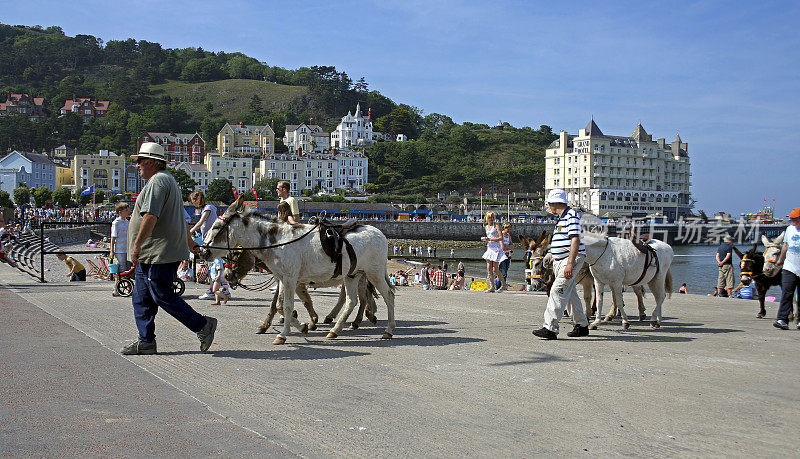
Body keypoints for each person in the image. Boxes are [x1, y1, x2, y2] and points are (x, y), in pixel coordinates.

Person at [121, 142, 216, 355]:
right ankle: (145, 341)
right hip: (153, 254)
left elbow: (151, 216)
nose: (137, 165)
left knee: (161, 293)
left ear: (153, 162)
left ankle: (202, 325)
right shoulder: (169, 181)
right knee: (141, 297)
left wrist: (136, 246)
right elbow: (179, 218)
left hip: (158, 253)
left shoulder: (158, 182)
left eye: (140, 161)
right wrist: (190, 242)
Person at [532, 189, 590, 339]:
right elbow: (563, 241)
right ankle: (582, 325)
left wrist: (570, 263)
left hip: (570, 260)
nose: (549, 207)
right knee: (569, 293)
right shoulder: (562, 218)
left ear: (555, 203)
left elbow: (575, 240)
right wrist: (554, 255)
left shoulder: (571, 216)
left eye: (550, 204)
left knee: (557, 291)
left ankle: (550, 328)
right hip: (561, 260)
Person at [773, 207, 800, 330]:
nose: (791, 220)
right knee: (787, 292)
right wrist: (780, 261)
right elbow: (785, 246)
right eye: (791, 218)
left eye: (794, 218)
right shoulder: (789, 229)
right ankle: (782, 319)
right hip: (789, 267)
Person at [189, 190, 218, 300]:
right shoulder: (209, 208)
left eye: (193, 201)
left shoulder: (208, 208)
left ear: (197, 199)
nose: (193, 204)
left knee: (212, 266)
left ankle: (212, 290)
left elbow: (200, 222)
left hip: (210, 240)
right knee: (214, 265)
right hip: (209, 239)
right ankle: (221, 289)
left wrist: (190, 231)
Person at [481, 212, 507, 293]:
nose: (492, 219)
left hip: (496, 249)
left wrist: (490, 239)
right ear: (487, 218)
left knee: (495, 269)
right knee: (489, 269)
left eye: (493, 217)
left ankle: (504, 285)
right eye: (490, 217)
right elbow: (489, 237)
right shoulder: (486, 227)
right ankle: (492, 286)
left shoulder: (497, 226)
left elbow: (501, 238)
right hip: (490, 248)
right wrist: (485, 239)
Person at [109, 202, 131, 294]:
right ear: (120, 212)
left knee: (128, 268)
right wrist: (112, 251)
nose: (128, 212)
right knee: (122, 268)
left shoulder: (127, 222)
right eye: (126, 210)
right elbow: (113, 237)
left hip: (127, 248)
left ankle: (121, 287)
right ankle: (120, 287)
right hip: (119, 249)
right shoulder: (116, 223)